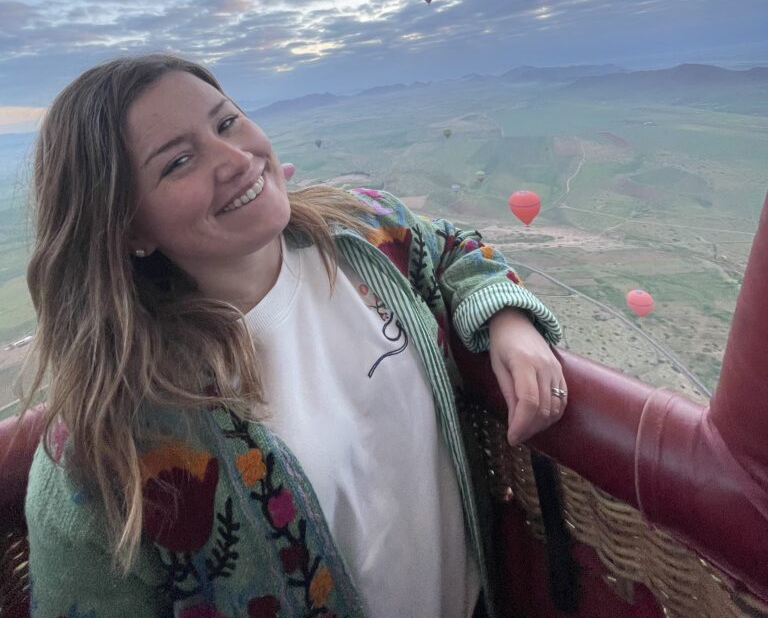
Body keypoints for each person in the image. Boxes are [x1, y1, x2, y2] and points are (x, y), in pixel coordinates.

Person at [22, 53, 566, 618]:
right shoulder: (105, 442)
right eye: (180, 161)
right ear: (128, 226)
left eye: (227, 122)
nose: (235, 159)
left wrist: (508, 322)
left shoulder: (364, 234)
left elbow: (453, 248)